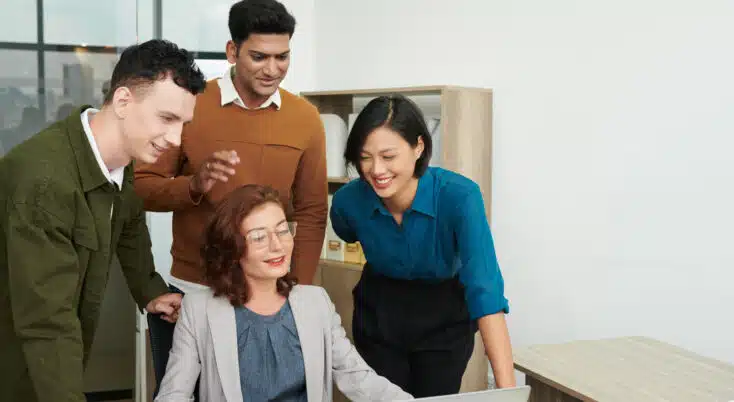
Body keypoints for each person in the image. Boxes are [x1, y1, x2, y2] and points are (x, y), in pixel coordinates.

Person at [134, 0, 328, 392]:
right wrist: (193, 185)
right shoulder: (190, 104)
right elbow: (141, 187)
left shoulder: (305, 118)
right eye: (259, 57)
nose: (272, 69)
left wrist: (296, 289)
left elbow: (311, 211)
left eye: (282, 57)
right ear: (232, 51)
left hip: (269, 297)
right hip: (193, 291)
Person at [0, 39, 206, 402]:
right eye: (167, 118)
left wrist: (149, 289)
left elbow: (128, 221)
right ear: (123, 101)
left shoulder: (119, 157)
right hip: (20, 361)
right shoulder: (44, 182)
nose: (176, 139)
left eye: (182, 123)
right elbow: (48, 324)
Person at [329, 94, 517, 398]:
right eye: (365, 157)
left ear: (418, 147)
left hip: (444, 315)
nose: (376, 170)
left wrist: (508, 393)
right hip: (380, 312)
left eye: (388, 156)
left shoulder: (460, 197)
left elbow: (485, 290)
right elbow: (346, 232)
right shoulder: (347, 202)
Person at [155, 184, 412, 402]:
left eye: (282, 230)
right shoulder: (199, 309)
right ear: (231, 248)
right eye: (259, 237)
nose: (277, 246)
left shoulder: (316, 302)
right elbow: (173, 395)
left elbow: (358, 378)